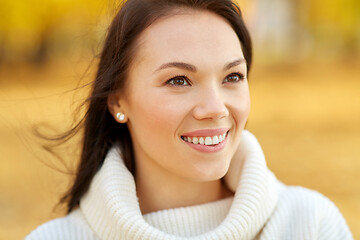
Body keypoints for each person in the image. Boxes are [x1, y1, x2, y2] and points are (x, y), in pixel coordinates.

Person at [26, 0, 353, 239]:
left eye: (233, 77)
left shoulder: (309, 225)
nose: (215, 108)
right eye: (178, 80)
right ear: (117, 101)